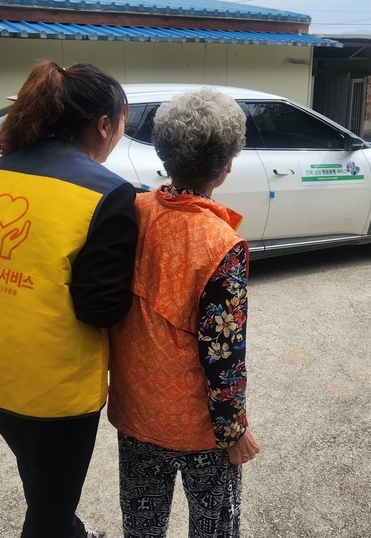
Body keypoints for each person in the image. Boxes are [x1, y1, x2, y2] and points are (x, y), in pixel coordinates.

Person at [0, 61, 138, 538]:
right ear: (103, 125)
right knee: (50, 510)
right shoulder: (106, 193)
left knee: (43, 485)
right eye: (122, 124)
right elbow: (101, 308)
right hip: (52, 390)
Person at [108, 87, 260, 538]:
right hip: (199, 431)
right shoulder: (221, 245)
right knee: (214, 528)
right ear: (227, 163)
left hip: (136, 414)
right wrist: (234, 432)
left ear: (163, 151)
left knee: (142, 526)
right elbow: (223, 355)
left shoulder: (132, 213)